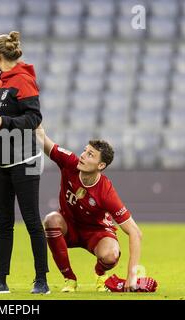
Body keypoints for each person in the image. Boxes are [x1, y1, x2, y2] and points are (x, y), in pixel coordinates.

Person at [0, 31, 50, 294]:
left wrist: (4, 122)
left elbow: (34, 118)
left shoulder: (23, 81)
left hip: (25, 160)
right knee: (4, 223)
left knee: (32, 220)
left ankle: (41, 280)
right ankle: (0, 281)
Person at [36, 124, 143, 292]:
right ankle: (69, 279)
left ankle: (100, 274)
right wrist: (32, 114)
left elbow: (135, 232)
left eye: (90, 155)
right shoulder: (69, 162)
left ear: (100, 165)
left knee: (111, 255)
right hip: (69, 226)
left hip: (96, 232)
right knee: (51, 220)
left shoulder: (106, 192)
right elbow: (42, 138)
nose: (83, 156)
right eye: (85, 151)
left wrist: (132, 275)